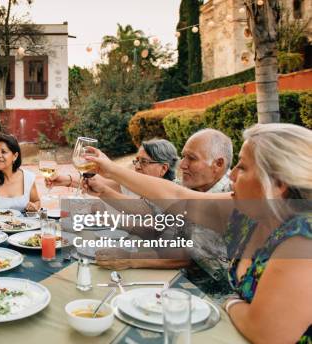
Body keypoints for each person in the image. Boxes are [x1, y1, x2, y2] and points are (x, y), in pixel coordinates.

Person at [86, 123, 312, 343]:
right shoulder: (249, 212)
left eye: (242, 167)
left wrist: (228, 301)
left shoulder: (301, 240)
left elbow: (266, 333)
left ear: (278, 183)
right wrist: (110, 169)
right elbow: (174, 198)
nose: (232, 175)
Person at [88, 129, 234, 299]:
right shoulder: (190, 185)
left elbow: (188, 258)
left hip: (210, 297)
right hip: (177, 282)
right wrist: (103, 192)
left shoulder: (228, 197)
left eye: (192, 158)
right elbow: (150, 214)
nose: (182, 165)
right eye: (183, 156)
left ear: (218, 164)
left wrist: (129, 259)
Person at [47, 138, 179, 196]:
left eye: (144, 161)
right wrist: (66, 180)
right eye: (136, 161)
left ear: (163, 169)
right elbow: (100, 183)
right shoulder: (134, 187)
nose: (137, 166)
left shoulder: (171, 196)